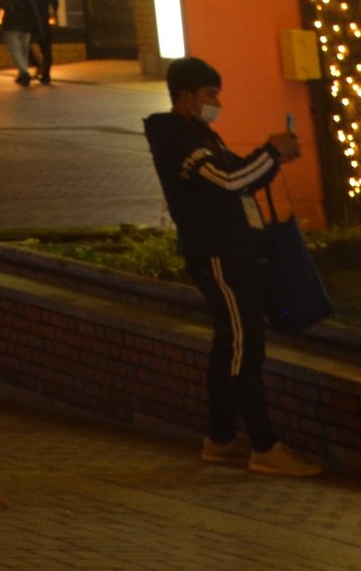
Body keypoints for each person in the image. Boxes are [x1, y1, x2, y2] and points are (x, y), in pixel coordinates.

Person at [146, 55, 322, 475]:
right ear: (186, 96)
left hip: (235, 250)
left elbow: (239, 179)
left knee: (228, 345)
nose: (216, 102)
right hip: (219, 255)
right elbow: (228, 182)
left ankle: (221, 438)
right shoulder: (178, 139)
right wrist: (269, 152)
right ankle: (264, 447)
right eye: (210, 95)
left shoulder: (201, 134)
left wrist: (273, 158)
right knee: (246, 347)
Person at [0, 0, 61, 89]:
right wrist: (53, 11)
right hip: (42, 15)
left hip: (26, 19)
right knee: (46, 46)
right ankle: (46, 73)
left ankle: (35, 66)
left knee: (25, 47)